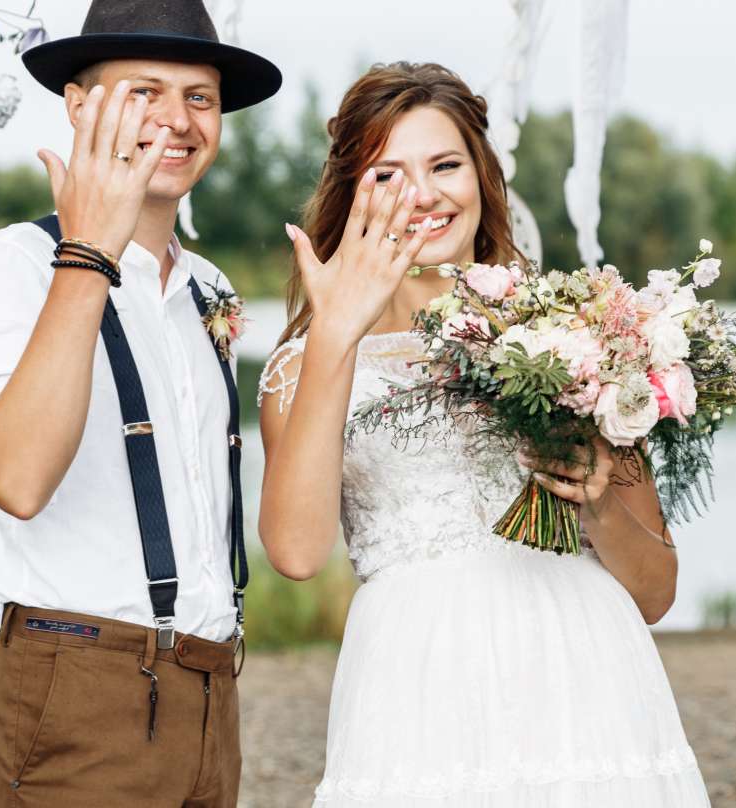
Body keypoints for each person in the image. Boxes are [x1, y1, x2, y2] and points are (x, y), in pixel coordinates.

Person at [257, 61, 710, 806]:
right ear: (351, 192)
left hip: (585, 680)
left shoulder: (574, 334)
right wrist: (337, 334)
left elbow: (656, 591)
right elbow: (297, 553)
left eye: (445, 165)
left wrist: (594, 497)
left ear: (483, 177)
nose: (424, 194)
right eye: (388, 174)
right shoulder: (304, 364)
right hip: (417, 690)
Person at [0, 0, 279, 807]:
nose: (178, 119)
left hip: (210, 692)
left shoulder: (210, 288)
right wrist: (88, 253)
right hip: (75, 686)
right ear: (79, 106)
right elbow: (18, 480)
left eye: (201, 98)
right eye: (143, 93)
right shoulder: (9, 265)